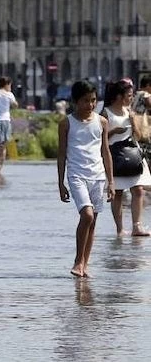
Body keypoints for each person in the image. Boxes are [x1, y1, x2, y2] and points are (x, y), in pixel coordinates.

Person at [58, 80, 114, 277]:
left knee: (93, 222)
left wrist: (111, 181)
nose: (89, 105)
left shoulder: (102, 122)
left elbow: (105, 151)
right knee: (87, 215)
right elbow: (61, 154)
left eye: (93, 100)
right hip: (76, 175)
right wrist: (60, 183)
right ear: (75, 101)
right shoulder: (66, 123)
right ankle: (77, 260)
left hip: (98, 176)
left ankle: (84, 264)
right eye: (85, 101)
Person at [101, 80, 151, 237]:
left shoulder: (129, 111)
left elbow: (137, 135)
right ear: (119, 96)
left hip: (132, 153)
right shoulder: (106, 113)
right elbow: (99, 138)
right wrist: (114, 131)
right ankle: (120, 228)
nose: (131, 98)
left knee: (139, 189)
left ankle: (137, 226)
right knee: (118, 192)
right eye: (129, 95)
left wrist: (133, 121)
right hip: (115, 156)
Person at [0, 76, 18, 174]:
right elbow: (15, 105)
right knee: (3, 147)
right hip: (6, 121)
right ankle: (1, 166)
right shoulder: (9, 94)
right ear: (7, 84)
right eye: (10, 85)